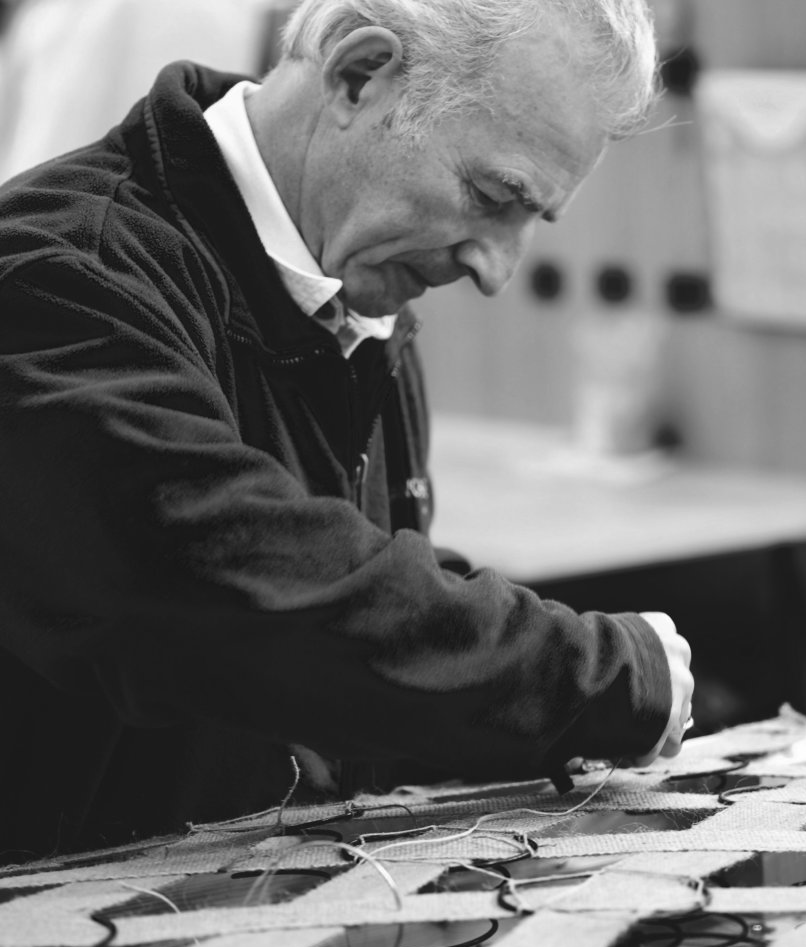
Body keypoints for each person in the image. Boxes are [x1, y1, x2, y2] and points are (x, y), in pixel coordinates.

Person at [0, 0, 695, 864]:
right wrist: (595, 674)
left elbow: (356, 606)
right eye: (489, 197)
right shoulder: (56, 280)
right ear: (359, 74)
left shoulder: (353, 301)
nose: (494, 268)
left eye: (530, 220)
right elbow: (231, 588)